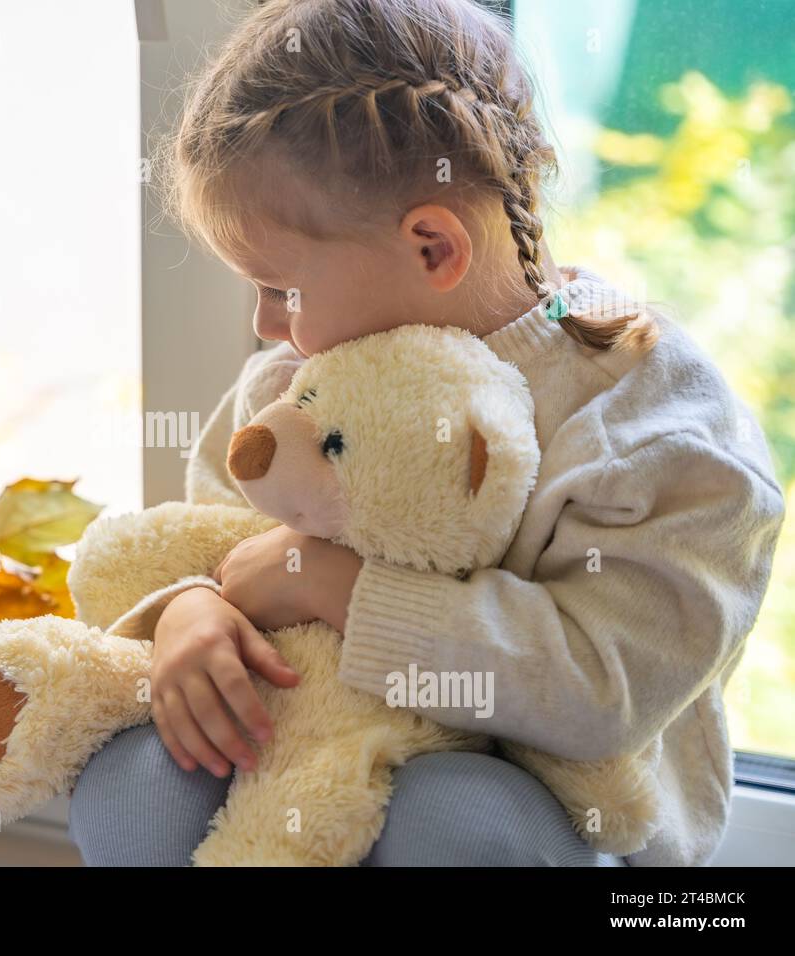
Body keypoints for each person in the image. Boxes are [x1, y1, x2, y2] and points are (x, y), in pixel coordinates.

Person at [68, 0, 784, 866]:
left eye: (280, 288)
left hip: (554, 808)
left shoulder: (652, 426)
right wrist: (188, 611)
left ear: (433, 247)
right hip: (314, 749)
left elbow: (603, 687)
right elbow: (212, 542)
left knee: (446, 820)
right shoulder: (295, 381)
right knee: (135, 786)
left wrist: (339, 588)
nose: (266, 327)